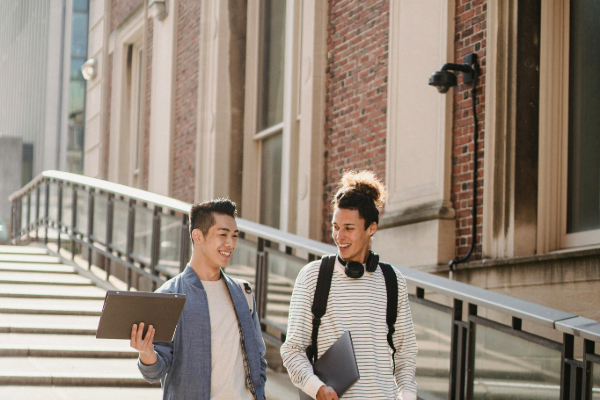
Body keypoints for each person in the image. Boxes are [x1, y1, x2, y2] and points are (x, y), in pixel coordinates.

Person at [280, 170, 418, 400]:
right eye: (336, 227)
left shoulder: (393, 280)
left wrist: (408, 395)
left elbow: (405, 355)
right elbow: (292, 350)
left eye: (349, 228)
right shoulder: (313, 277)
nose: (339, 236)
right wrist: (317, 388)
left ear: (371, 228)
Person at [130, 199, 267, 400]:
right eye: (223, 235)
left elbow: (258, 358)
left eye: (234, 236)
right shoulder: (169, 296)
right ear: (198, 236)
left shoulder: (243, 292)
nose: (230, 243)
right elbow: (155, 372)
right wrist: (146, 352)